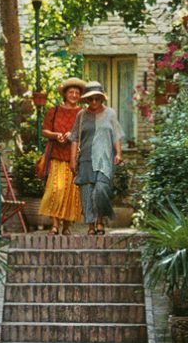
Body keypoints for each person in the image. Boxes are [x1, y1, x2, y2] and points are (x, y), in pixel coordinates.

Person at [71, 81, 124, 236]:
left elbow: (116, 135)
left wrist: (119, 153)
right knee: (87, 193)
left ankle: (100, 220)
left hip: (105, 159)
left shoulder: (110, 114)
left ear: (102, 99)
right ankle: (91, 225)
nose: (94, 102)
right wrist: (73, 160)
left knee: (101, 190)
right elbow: (74, 138)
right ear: (86, 100)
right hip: (85, 160)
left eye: (97, 99)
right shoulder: (81, 116)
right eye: (90, 99)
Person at [38, 77, 85, 235]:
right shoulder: (54, 111)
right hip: (56, 155)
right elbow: (44, 131)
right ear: (65, 94)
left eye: (77, 93)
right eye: (71, 92)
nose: (73, 95)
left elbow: (85, 133)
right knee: (55, 190)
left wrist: (73, 134)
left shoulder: (82, 113)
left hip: (74, 157)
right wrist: (56, 135)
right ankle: (54, 225)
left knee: (71, 193)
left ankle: (66, 226)